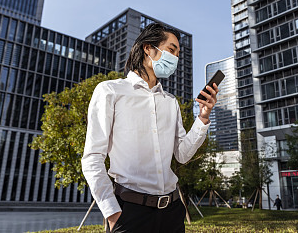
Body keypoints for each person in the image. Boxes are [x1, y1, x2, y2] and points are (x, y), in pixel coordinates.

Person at [81, 23, 219, 233]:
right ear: (148, 48)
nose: (175, 58)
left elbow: (182, 154)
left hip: (172, 212)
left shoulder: (170, 102)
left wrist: (203, 117)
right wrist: (112, 212)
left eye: (178, 53)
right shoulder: (110, 91)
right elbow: (92, 157)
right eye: (171, 50)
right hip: (129, 213)